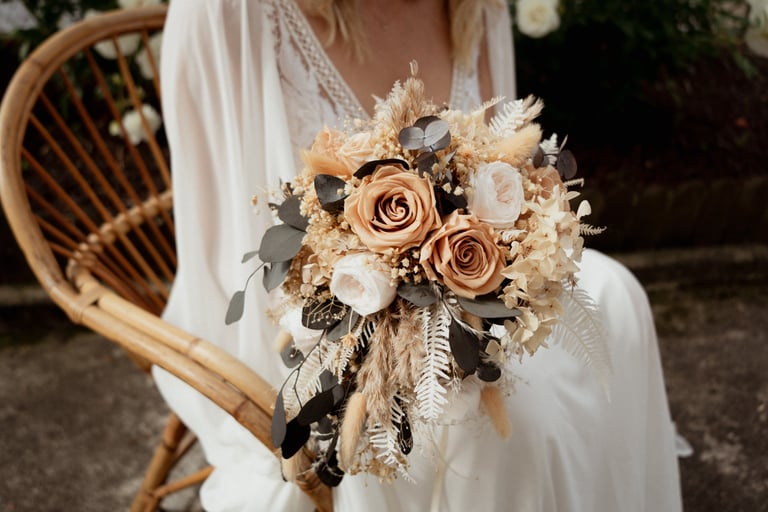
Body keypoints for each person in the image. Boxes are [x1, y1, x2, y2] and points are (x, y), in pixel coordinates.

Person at [155, 0, 684, 510]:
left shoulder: (479, 10)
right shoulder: (228, 11)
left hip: (473, 295)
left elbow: (498, 174)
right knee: (497, 429)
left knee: (618, 296)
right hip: (319, 321)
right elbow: (222, 247)